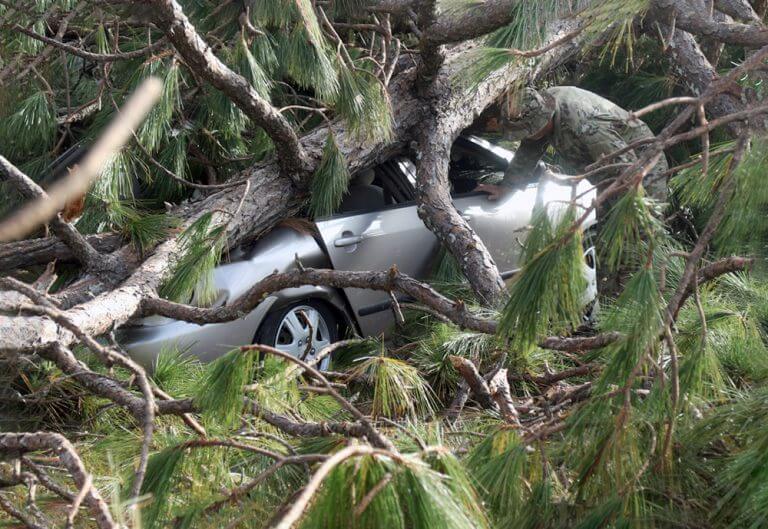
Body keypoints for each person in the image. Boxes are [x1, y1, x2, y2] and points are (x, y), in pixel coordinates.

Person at [477, 86, 668, 202]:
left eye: (530, 131)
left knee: (639, 238)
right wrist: (509, 186)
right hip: (609, 172)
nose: (528, 137)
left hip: (643, 167)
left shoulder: (583, 125)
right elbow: (528, 150)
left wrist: (629, 203)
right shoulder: (538, 105)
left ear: (545, 120)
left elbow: (624, 166)